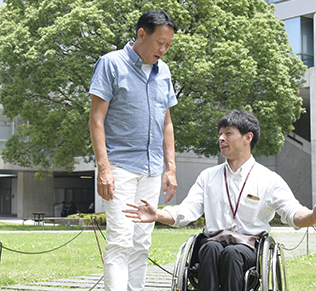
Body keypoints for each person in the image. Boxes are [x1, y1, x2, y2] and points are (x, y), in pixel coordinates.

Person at [124, 110, 316, 291]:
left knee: (232, 253)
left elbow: (293, 213)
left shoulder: (268, 179)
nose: (221, 138)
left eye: (228, 133)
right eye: (220, 134)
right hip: (211, 244)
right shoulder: (208, 177)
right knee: (210, 248)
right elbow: (186, 211)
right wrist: (157, 214)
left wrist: (314, 216)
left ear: (248, 137)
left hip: (247, 248)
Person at [89, 10, 178, 291]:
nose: (163, 50)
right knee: (120, 240)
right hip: (120, 167)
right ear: (141, 34)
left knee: (142, 242)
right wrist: (104, 169)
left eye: (168, 45)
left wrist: (171, 167)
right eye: (159, 43)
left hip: (151, 170)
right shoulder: (111, 64)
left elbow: (167, 123)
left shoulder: (163, 71)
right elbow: (96, 119)